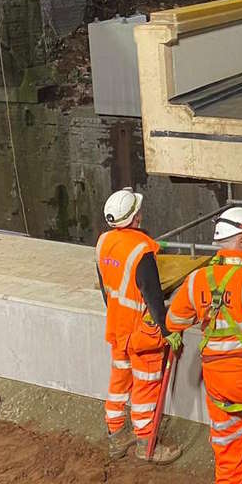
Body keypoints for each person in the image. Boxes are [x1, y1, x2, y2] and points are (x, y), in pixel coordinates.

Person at [167, 206, 242, 484]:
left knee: (227, 447)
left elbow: (174, 319)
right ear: (241, 238)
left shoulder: (198, 278)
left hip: (216, 381)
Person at [95, 186, 183, 463]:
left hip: (117, 325)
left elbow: (105, 289)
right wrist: (167, 331)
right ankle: (147, 444)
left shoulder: (103, 242)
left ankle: (116, 435)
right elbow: (153, 295)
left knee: (119, 381)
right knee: (145, 384)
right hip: (140, 331)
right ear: (135, 216)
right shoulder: (142, 249)